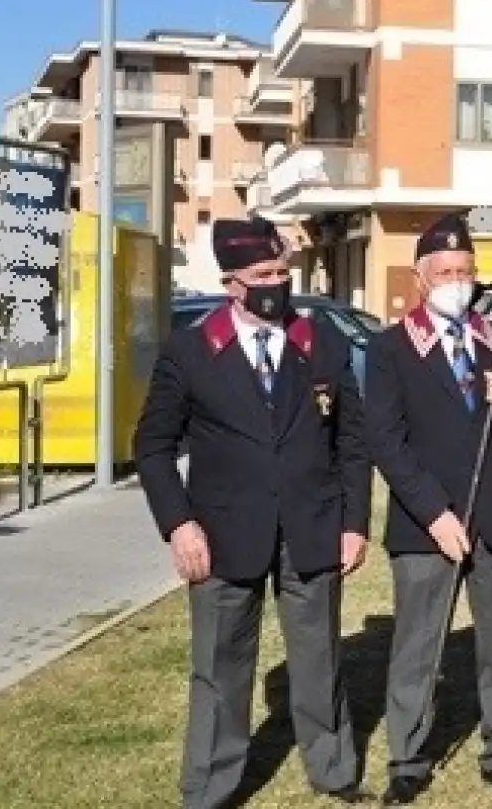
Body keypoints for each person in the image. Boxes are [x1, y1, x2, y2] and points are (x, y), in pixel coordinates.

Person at [132, 216, 372, 809]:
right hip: (221, 536)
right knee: (220, 668)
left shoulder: (320, 341)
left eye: (282, 272)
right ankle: (210, 787)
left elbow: (352, 441)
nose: (276, 284)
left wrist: (354, 523)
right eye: (262, 274)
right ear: (232, 282)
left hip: (311, 528)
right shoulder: (191, 351)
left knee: (319, 659)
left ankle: (334, 772)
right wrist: (178, 523)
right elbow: (152, 446)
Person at [364, 214, 492, 804]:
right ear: (421, 279)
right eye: (443, 272)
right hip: (426, 525)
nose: (456, 281)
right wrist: (436, 514)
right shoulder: (391, 347)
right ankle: (409, 758)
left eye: (465, 272)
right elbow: (385, 442)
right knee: (418, 645)